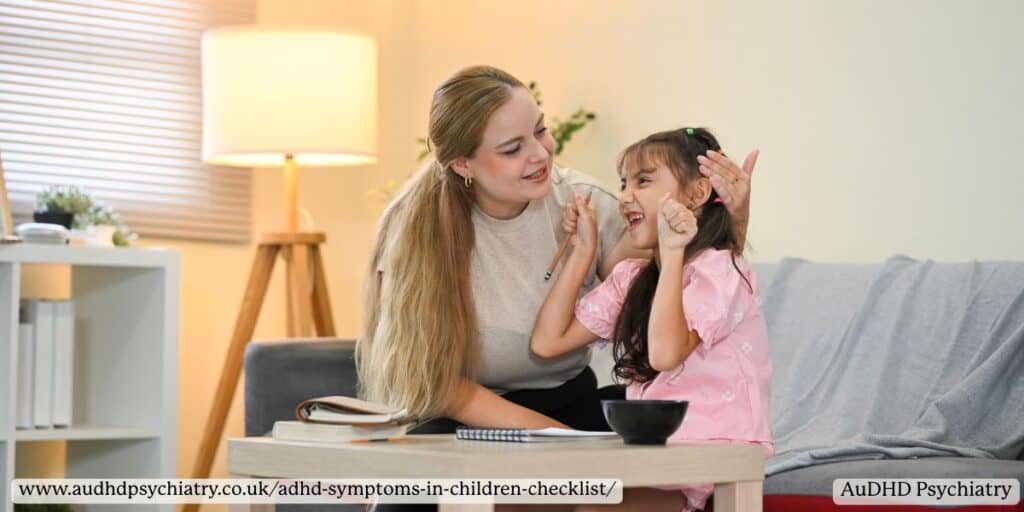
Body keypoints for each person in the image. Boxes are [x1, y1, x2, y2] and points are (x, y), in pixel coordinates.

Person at [357, 65, 757, 436]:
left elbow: (674, 292)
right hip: (461, 416)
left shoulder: (584, 202)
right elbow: (443, 388)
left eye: (540, 130)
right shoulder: (414, 232)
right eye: (513, 149)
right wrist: (562, 445)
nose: (540, 153)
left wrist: (732, 218)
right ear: (464, 165)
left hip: (570, 401)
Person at [530, 127, 773, 512]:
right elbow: (547, 343)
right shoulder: (632, 277)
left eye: (643, 181)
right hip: (649, 460)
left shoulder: (720, 270)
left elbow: (664, 355)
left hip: (705, 464)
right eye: (624, 183)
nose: (625, 196)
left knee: (588, 508)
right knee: (519, 502)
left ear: (696, 195)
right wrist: (581, 253)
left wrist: (673, 252)